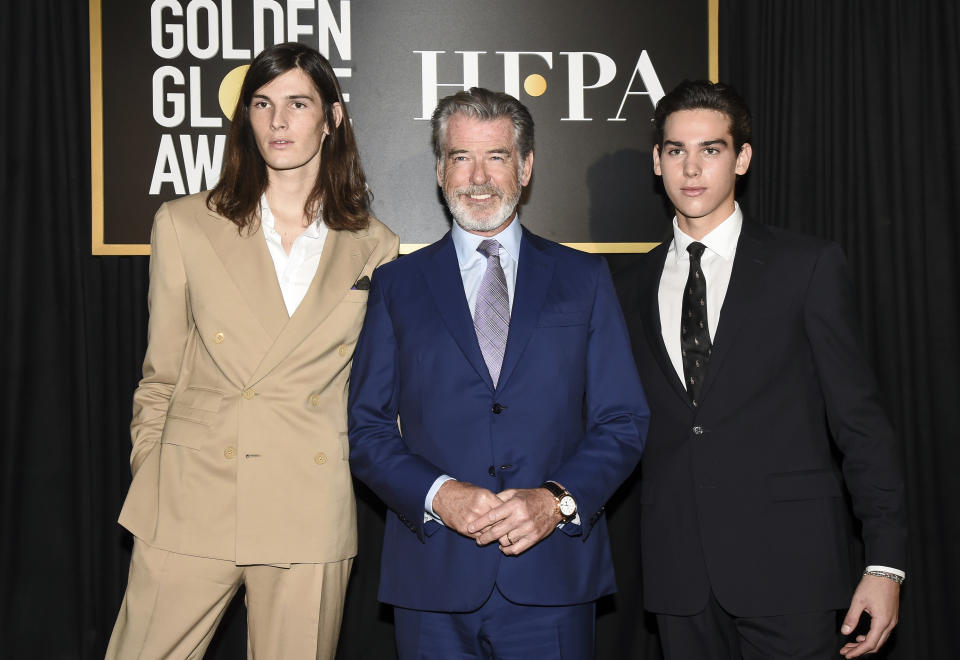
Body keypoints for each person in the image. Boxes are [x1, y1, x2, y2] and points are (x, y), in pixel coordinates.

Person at [106, 42, 398, 659]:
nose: (278, 121)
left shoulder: (375, 245)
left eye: (298, 103)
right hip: (191, 496)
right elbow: (158, 376)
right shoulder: (184, 224)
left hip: (306, 502)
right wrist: (152, 473)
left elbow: (378, 391)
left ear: (333, 118)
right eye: (262, 104)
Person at [347, 87, 648, 658]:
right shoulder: (396, 286)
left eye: (497, 156)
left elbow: (623, 421)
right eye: (461, 157)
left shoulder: (584, 279)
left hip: (552, 575)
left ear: (526, 167)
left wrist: (556, 501)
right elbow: (366, 430)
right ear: (440, 170)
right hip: (432, 579)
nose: (478, 177)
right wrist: (439, 495)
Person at [614, 80, 907, 659]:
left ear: (742, 158)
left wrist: (886, 563)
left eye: (711, 150)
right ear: (657, 160)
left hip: (792, 570)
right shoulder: (627, 286)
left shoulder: (807, 266)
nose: (691, 168)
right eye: (675, 150)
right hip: (680, 579)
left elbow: (860, 423)